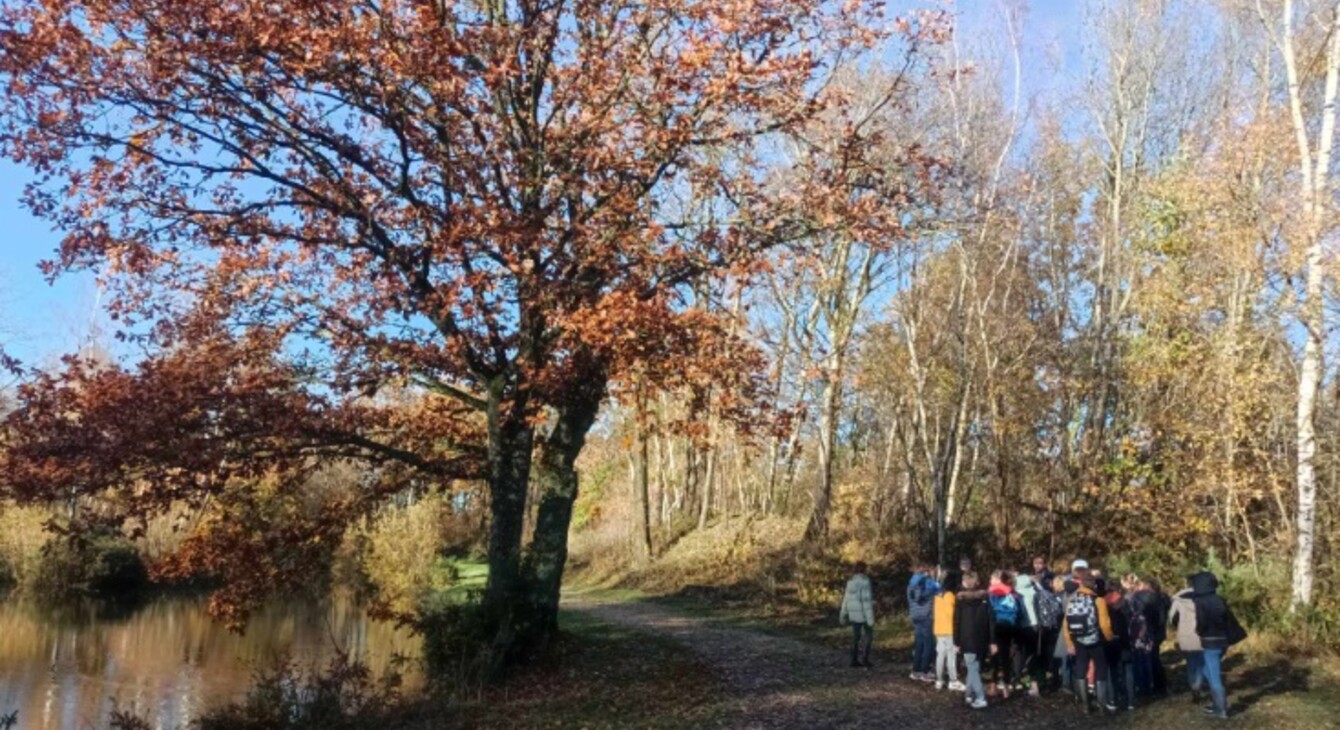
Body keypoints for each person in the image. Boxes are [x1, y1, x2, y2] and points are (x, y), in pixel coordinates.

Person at [1190, 571, 1246, 719]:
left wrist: (1199, 631)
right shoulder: (1220, 599)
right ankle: (1214, 702)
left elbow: (1201, 623)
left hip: (1210, 643)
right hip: (1224, 641)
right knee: (1208, 671)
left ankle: (1221, 709)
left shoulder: (1200, 602)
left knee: (1214, 676)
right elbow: (1228, 620)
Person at [1065, 571, 1116, 713]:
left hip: (1078, 639)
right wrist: (1109, 637)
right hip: (1095, 639)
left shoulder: (1071, 599)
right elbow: (1104, 624)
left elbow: (1066, 623)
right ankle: (1101, 705)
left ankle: (1085, 705)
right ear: (1093, 584)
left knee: (1081, 667)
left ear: (1080, 583)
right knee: (1100, 667)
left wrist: (1069, 642)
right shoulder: (1098, 600)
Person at [954, 571, 996, 710]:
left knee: (972, 668)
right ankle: (969, 693)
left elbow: (957, 622)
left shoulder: (960, 600)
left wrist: (956, 642)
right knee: (975, 666)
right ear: (977, 582)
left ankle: (980, 697)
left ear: (965, 582)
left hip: (966, 638)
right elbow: (991, 620)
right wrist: (992, 640)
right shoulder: (985, 598)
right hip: (982, 637)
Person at [1169, 575, 1205, 704]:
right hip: (1201, 634)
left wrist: (1179, 625)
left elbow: (1172, 618)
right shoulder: (1203, 597)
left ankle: (1193, 687)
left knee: (1190, 663)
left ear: (1186, 583)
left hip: (1185, 634)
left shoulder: (1178, 600)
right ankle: (1198, 686)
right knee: (1201, 663)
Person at [987, 570, 1021, 698]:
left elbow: (989, 611)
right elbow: (1018, 610)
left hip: (997, 625)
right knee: (1006, 657)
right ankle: (1006, 687)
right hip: (1011, 626)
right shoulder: (1013, 593)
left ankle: (993, 685)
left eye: (992, 578)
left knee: (995, 656)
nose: (990, 581)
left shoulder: (992, 593)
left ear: (998, 579)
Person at [1105, 577, 1137, 711]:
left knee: (1111, 671)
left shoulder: (1103, 603)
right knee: (1128, 669)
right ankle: (1131, 701)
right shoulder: (1127, 602)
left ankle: (1113, 700)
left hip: (1110, 641)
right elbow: (1134, 620)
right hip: (1126, 640)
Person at [907, 561, 940, 681]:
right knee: (928, 643)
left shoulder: (911, 582)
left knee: (919, 643)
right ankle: (925, 671)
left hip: (915, 615)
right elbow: (939, 590)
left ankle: (916, 670)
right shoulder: (928, 582)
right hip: (926, 615)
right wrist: (936, 578)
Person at [933, 570, 966, 691]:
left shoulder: (937, 595)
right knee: (951, 655)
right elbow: (952, 615)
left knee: (940, 655)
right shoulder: (950, 597)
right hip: (949, 629)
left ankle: (939, 680)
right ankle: (953, 680)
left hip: (938, 628)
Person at [839, 561, 875, 668]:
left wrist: (843, 613)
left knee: (856, 637)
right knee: (868, 636)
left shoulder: (850, 582)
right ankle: (865, 658)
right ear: (864, 570)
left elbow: (846, 599)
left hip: (853, 613)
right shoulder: (865, 581)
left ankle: (853, 660)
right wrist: (870, 618)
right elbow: (866, 601)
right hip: (864, 614)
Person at [1013, 571, 1043, 696]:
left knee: (1019, 654)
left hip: (1022, 627)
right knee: (1034, 654)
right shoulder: (1035, 593)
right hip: (1036, 627)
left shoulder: (1017, 595)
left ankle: (1018, 680)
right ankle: (1035, 684)